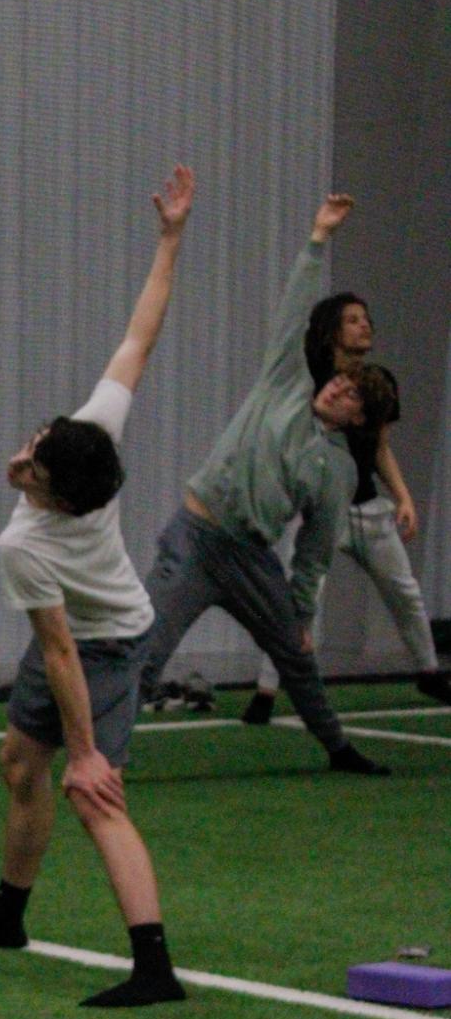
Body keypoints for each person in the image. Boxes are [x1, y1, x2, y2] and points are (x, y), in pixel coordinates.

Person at [0, 167, 195, 1008]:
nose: (25, 449)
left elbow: (60, 652)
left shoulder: (26, 543)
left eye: (33, 459)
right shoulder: (94, 436)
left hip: (109, 642)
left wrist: (85, 752)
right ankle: (8, 916)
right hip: (74, 635)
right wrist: (168, 239)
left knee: (95, 795)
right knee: (19, 761)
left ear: (52, 491)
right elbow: (138, 339)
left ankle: (154, 969)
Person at [138, 195, 398, 773]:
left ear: (359, 419)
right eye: (341, 383)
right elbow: (295, 306)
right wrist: (317, 238)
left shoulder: (340, 471)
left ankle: (338, 748)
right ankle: (107, 756)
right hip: (196, 536)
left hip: (252, 560)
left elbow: (314, 551)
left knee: (296, 658)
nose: (338, 390)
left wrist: (301, 617)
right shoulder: (286, 380)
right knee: (148, 654)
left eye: (352, 395)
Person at [241, 287, 451, 721]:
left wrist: (404, 496)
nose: (365, 325)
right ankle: (266, 691)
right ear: (333, 330)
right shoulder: (314, 382)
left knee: (405, 593)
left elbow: (379, 447)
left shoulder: (378, 382)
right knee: (301, 599)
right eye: (354, 319)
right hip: (323, 510)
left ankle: (429, 671)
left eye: (367, 318)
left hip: (370, 510)